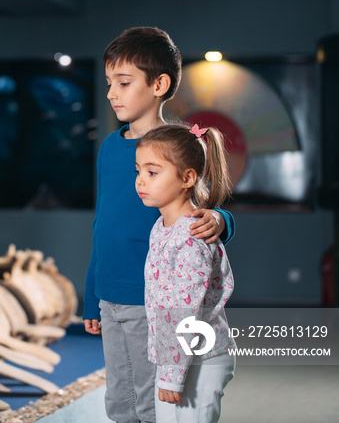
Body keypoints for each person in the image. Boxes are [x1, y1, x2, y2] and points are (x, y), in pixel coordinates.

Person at [82, 26, 235, 423]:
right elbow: (103, 224)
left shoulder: (176, 148)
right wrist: (91, 291)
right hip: (109, 295)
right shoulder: (110, 148)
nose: (112, 92)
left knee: (154, 401)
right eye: (109, 83)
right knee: (119, 398)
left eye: (124, 82)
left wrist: (221, 219)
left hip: (152, 300)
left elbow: (204, 210)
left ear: (159, 84)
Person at [135, 124, 236, 422]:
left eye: (152, 172)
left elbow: (183, 312)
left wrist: (170, 373)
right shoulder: (161, 227)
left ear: (187, 178)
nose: (141, 181)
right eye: (138, 171)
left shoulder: (190, 238)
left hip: (200, 360)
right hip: (181, 358)